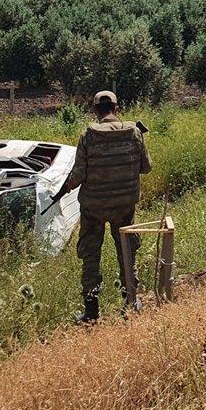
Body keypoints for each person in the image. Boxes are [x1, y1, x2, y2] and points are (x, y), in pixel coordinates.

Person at [61, 90, 151, 322]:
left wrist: (64, 188)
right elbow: (146, 167)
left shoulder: (88, 136)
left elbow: (78, 174)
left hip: (93, 208)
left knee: (91, 256)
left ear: (94, 110)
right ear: (116, 109)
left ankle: (91, 312)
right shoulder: (134, 133)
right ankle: (131, 302)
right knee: (127, 251)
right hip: (124, 206)